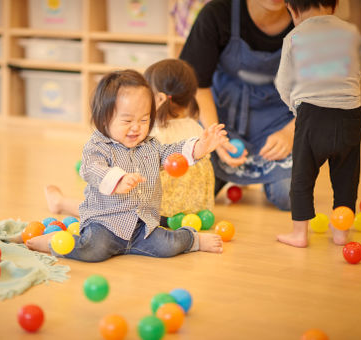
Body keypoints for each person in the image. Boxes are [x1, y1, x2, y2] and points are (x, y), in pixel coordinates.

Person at [28, 70, 225, 262]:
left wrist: (200, 147)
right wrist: (118, 179)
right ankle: (54, 243)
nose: (136, 127)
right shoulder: (98, 146)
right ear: (104, 118)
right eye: (127, 120)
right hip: (105, 224)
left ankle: (193, 239)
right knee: (93, 250)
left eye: (144, 119)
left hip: (143, 227)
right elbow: (91, 169)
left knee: (167, 246)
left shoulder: (150, 145)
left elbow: (171, 154)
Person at [179, 0, 296, 210]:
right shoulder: (217, 13)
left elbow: (321, 93)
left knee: (290, 196)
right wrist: (215, 136)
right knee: (193, 195)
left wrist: (291, 132)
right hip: (220, 118)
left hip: (278, 122)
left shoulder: (308, 20)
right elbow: (198, 85)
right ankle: (222, 171)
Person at [275, 0, 361, 247]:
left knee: (302, 176)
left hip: (312, 115)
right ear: (335, 6)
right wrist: (350, 94)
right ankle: (341, 234)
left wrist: (296, 107)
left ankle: (299, 234)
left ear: (292, 10)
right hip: (351, 114)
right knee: (347, 176)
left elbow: (284, 84)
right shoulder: (351, 33)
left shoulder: (295, 37)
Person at [144, 59, 228, 225]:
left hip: (167, 207)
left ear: (159, 98)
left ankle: (165, 215)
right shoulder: (195, 127)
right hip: (196, 206)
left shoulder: (155, 132)